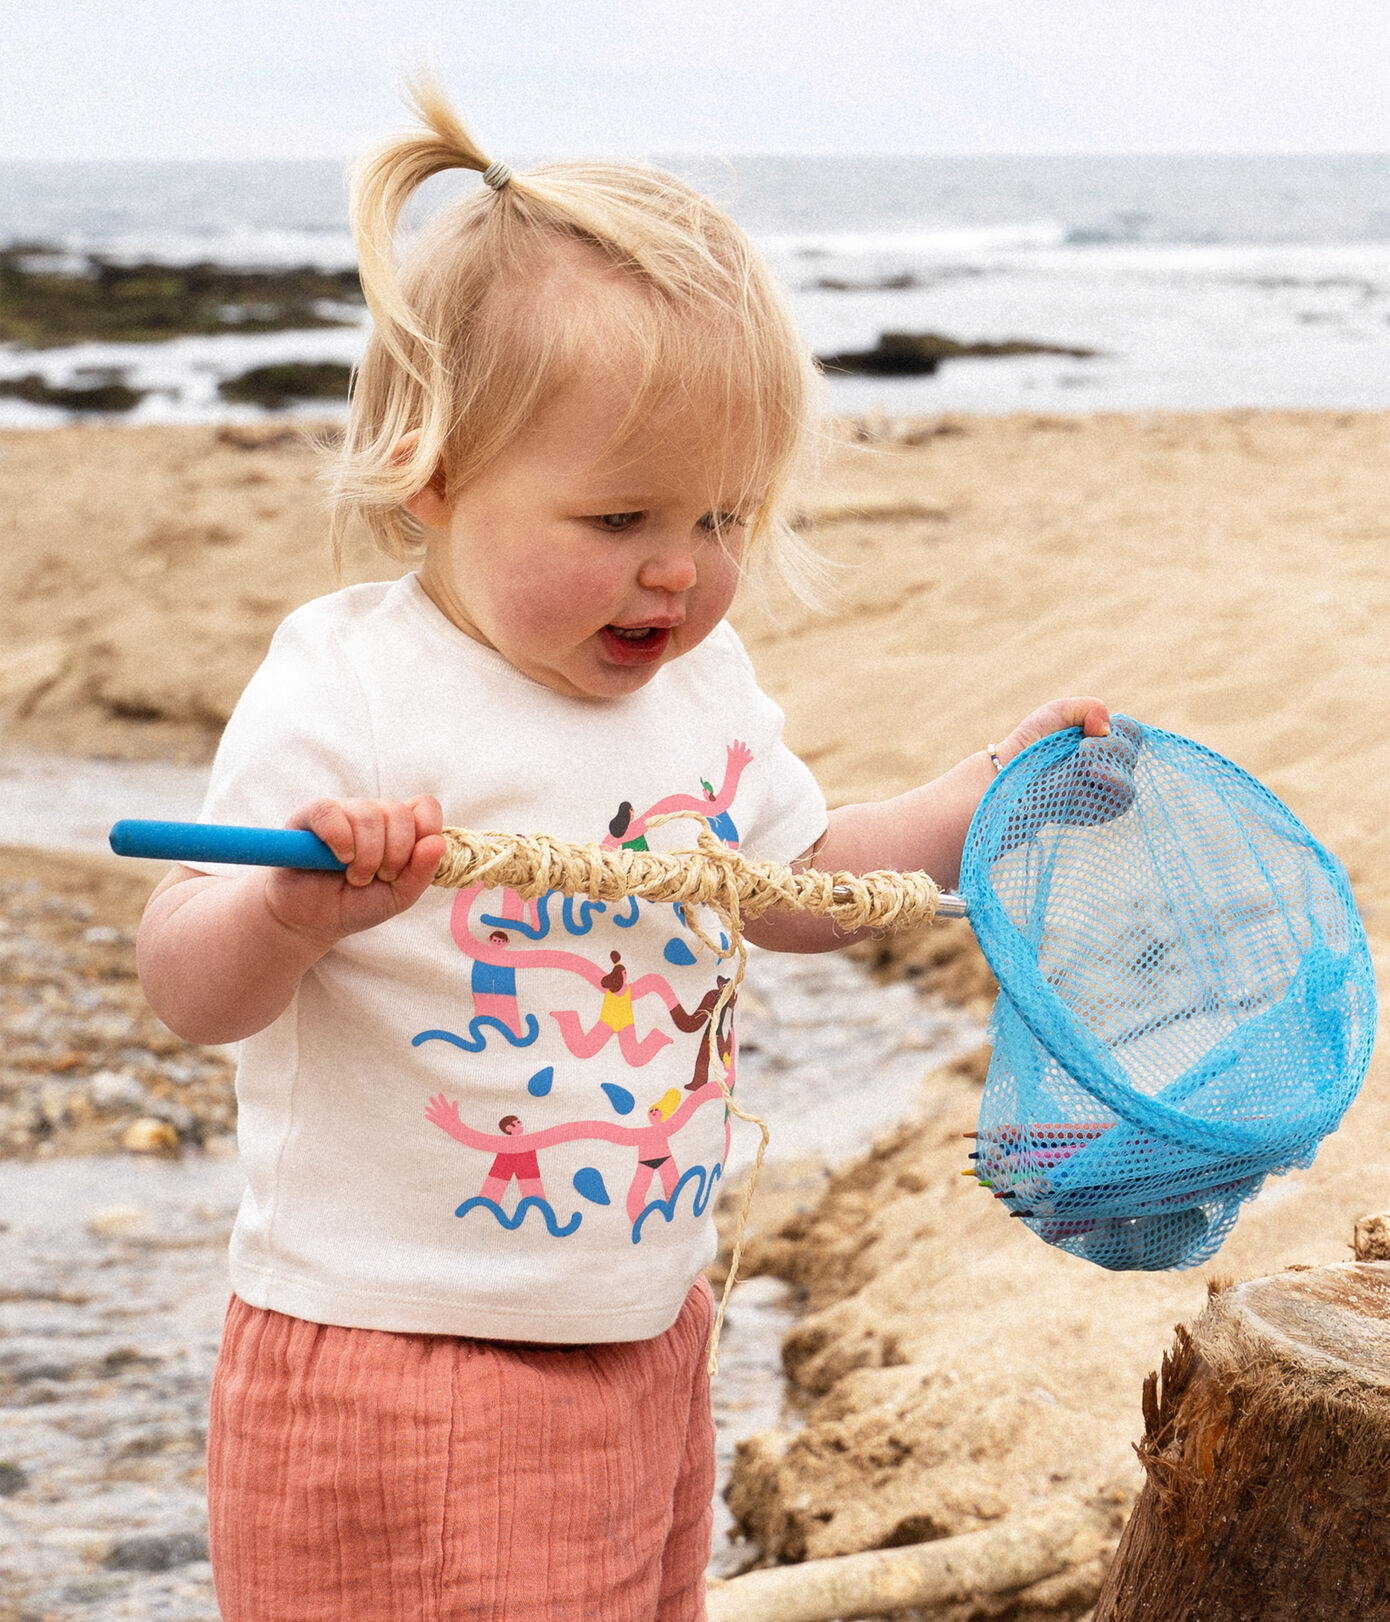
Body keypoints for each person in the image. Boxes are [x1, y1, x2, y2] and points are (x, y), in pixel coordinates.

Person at [135, 81, 1112, 1622]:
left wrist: (977, 792)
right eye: (618, 515)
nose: (680, 568)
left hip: (645, 1323)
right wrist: (289, 910)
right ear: (430, 467)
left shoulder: (697, 686)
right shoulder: (357, 684)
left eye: (723, 514)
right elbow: (185, 980)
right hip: (412, 1354)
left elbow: (803, 888)